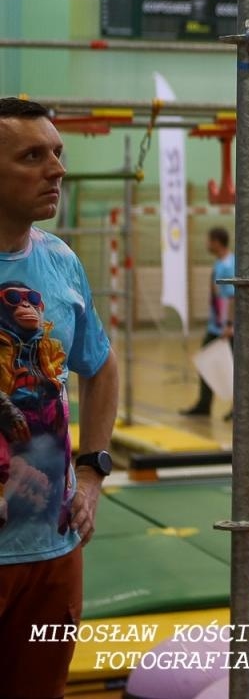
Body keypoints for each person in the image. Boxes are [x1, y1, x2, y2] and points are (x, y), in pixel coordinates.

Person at [0, 97, 120, 697]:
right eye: (32, 156)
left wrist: (93, 472)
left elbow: (101, 366)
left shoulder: (61, 261)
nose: (57, 168)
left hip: (52, 548)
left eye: (57, 152)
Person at [179, 227, 234, 420]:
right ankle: (204, 404)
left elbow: (231, 297)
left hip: (225, 327)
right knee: (206, 361)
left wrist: (229, 325)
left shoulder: (228, 266)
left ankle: (238, 407)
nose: (207, 244)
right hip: (216, 325)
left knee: (232, 366)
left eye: (209, 241)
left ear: (217, 242)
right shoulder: (221, 263)